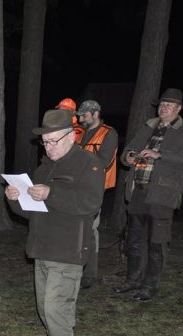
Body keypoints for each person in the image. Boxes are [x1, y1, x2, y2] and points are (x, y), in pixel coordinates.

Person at [4, 109, 103, 336]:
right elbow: (32, 211)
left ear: (71, 136)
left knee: (57, 310)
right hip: (42, 247)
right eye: (45, 143)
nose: (48, 147)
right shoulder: (44, 167)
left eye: (53, 141)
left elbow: (90, 203)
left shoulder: (88, 164)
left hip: (68, 249)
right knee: (45, 309)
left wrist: (52, 194)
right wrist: (15, 198)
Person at [115, 88, 183, 301]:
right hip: (138, 191)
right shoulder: (147, 127)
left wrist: (159, 154)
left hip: (162, 194)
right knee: (133, 238)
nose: (163, 108)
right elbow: (127, 152)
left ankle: (150, 285)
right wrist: (130, 157)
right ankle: (133, 280)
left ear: (179, 109)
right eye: (162, 105)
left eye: (169, 106)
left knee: (156, 241)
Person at [75, 99, 119, 290]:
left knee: (90, 231)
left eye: (84, 115)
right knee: (77, 230)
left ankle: (90, 274)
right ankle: (76, 267)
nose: (80, 118)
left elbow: (104, 161)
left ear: (95, 113)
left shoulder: (109, 133)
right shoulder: (82, 133)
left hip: (94, 188)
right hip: (77, 187)